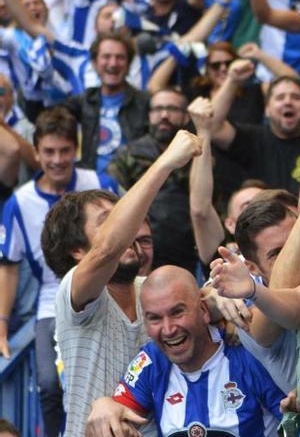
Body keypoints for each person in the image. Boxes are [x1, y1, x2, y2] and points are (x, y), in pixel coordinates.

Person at [44, 128, 201, 437]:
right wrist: (166, 161)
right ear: (78, 251)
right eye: (109, 221)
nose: (126, 228)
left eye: (123, 216)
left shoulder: (151, 291)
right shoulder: (74, 294)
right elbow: (108, 248)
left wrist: (217, 301)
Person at [0, 108, 117, 437]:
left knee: (110, 382)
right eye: (48, 151)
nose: (57, 159)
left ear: (76, 150)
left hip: (106, 291)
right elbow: (8, 267)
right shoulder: (18, 202)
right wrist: (2, 325)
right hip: (52, 300)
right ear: (35, 152)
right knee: (50, 385)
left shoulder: (100, 184)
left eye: (65, 150)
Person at [85, 266, 285, 436]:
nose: (169, 329)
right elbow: (116, 421)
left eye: (177, 312)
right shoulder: (151, 360)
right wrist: (104, 407)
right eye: (154, 318)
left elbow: (295, 420)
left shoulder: (244, 351)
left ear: (204, 311)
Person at [107, 90, 202, 270]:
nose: (164, 115)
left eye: (172, 109)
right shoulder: (127, 154)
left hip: (189, 252)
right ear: (149, 115)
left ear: (185, 117)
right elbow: (114, 203)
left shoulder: (198, 154)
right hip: (140, 252)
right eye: (158, 109)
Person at [203, 60, 300, 195]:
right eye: (280, 97)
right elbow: (211, 128)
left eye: (295, 97)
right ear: (266, 109)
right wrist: (232, 80)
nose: (288, 102)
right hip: (264, 215)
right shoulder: (252, 138)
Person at [52, 31, 151, 173]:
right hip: (89, 185)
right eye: (106, 56)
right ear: (94, 62)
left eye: (120, 57)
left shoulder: (145, 103)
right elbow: (45, 120)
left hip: (131, 183)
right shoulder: (82, 101)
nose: (113, 63)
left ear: (129, 64)